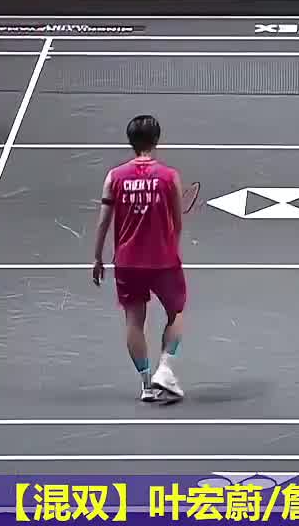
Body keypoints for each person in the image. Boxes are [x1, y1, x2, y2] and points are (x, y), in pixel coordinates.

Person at [91, 114, 187, 404]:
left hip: (127, 262)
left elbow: (103, 221)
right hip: (163, 260)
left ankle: (146, 385)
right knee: (176, 313)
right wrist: (172, 247)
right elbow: (177, 222)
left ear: (130, 141)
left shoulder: (114, 177)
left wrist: (97, 257)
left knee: (134, 321)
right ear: (156, 140)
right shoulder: (169, 177)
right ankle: (165, 369)